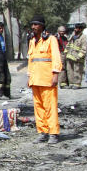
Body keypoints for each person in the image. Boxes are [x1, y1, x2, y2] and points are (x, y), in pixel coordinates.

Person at [27, 15, 62, 144]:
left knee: (50, 107)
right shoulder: (32, 41)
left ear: (42, 26)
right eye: (32, 24)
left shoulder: (51, 39)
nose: (33, 27)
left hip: (47, 79)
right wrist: (29, 76)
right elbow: (31, 61)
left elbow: (56, 57)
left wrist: (55, 74)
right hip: (35, 79)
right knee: (38, 107)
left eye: (36, 25)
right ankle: (42, 132)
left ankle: (53, 133)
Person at [63, 23, 87, 89]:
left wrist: (79, 56)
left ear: (81, 29)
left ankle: (77, 84)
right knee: (69, 70)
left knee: (78, 71)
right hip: (70, 56)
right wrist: (66, 52)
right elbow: (69, 44)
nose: (75, 29)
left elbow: (84, 49)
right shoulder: (73, 35)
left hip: (78, 58)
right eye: (75, 28)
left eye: (77, 28)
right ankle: (71, 83)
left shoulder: (83, 37)